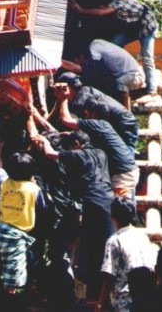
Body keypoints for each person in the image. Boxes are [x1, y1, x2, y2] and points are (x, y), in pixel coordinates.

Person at [33, 129, 115, 306]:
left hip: (93, 205)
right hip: (109, 202)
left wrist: (43, 140)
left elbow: (49, 153)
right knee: (106, 249)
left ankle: (92, 298)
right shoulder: (101, 152)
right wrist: (66, 134)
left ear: (77, 145)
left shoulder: (78, 156)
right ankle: (101, 296)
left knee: (91, 252)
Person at [69, 0, 158, 104]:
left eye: (100, 6)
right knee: (114, 44)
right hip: (134, 27)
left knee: (147, 57)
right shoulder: (114, 11)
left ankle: (151, 92)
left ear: (105, 4)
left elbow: (100, 13)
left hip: (147, 25)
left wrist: (80, 10)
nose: (99, 9)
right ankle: (122, 72)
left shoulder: (116, 4)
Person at [0, 150, 45, 310]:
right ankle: (9, 306)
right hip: (15, 238)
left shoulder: (4, 182)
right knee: (13, 281)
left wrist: (0, 151)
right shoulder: (34, 189)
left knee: (1, 269)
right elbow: (43, 208)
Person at [95, 196, 158, 312]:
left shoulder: (114, 241)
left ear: (112, 217)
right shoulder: (142, 236)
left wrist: (101, 303)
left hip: (124, 302)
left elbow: (109, 275)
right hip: (145, 298)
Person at [53, 71, 139, 155]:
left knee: (125, 154)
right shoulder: (85, 91)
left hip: (125, 124)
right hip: (121, 122)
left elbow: (69, 121)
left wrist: (62, 98)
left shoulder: (80, 100)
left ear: (67, 87)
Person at [61, 39, 145, 109]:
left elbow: (80, 68)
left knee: (119, 83)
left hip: (135, 75)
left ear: (81, 57)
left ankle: (127, 112)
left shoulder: (94, 49)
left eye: (75, 62)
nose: (77, 64)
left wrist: (57, 60)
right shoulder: (97, 46)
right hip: (126, 74)